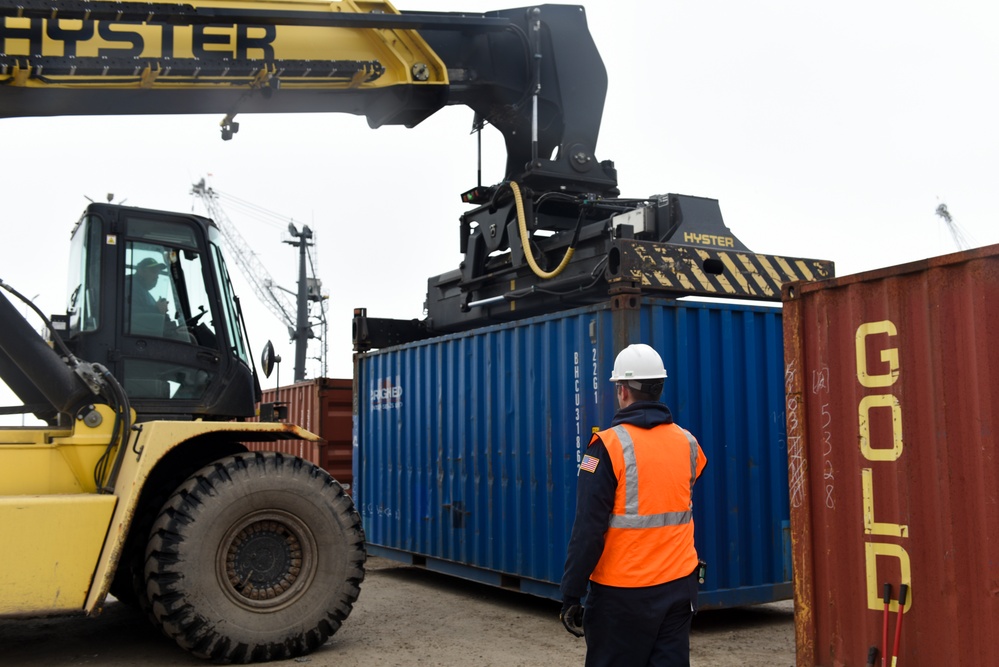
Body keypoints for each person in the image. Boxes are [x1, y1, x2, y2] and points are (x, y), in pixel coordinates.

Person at [559, 343, 708, 667]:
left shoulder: (606, 447)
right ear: (659, 387)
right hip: (679, 588)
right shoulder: (687, 442)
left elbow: (588, 528)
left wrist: (571, 593)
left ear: (623, 390)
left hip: (622, 594)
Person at [128, 256, 170, 335]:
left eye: (158, 273)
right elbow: (127, 312)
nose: (157, 276)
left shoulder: (143, 291)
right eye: (153, 272)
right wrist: (156, 309)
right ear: (141, 271)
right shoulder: (130, 286)